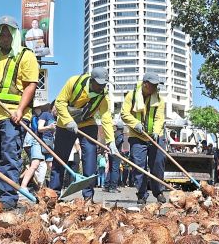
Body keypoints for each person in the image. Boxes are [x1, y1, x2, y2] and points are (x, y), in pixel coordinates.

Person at [0, 16, 39, 210]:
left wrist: (20, 109)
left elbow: (31, 86)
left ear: (15, 34)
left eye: (8, 32)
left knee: (9, 157)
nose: (4, 36)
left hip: (14, 116)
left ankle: (8, 199)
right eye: (1, 32)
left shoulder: (25, 55)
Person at [52, 67, 116, 201]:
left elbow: (106, 118)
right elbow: (60, 102)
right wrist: (69, 121)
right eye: (99, 84)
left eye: (104, 84)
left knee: (90, 160)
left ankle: (88, 197)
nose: (101, 87)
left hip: (87, 124)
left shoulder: (103, 96)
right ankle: (54, 194)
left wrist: (111, 141)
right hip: (66, 124)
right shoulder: (74, 82)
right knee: (59, 159)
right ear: (91, 80)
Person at [122, 72, 168, 204]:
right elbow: (124, 114)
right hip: (137, 136)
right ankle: (141, 194)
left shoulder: (159, 99)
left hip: (155, 136)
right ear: (145, 84)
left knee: (158, 163)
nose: (154, 88)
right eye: (152, 85)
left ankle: (158, 192)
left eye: (156, 85)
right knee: (138, 165)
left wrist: (155, 132)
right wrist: (135, 123)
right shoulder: (131, 96)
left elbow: (159, 118)